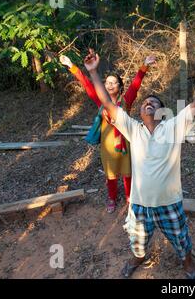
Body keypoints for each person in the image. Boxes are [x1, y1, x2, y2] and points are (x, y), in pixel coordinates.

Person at [83, 48, 195, 279]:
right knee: (137, 241)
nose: (149, 103)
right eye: (146, 102)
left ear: (163, 113)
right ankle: (138, 257)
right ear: (139, 110)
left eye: (155, 103)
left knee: (180, 239)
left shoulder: (173, 128)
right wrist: (94, 72)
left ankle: (187, 262)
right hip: (139, 205)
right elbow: (107, 103)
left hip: (170, 202)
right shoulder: (133, 129)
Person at [59, 52, 156, 213]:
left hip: (126, 143)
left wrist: (144, 66)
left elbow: (136, 84)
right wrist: (71, 66)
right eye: (107, 82)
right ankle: (111, 198)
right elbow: (87, 84)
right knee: (110, 174)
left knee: (128, 172)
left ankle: (129, 197)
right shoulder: (100, 101)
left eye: (114, 83)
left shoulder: (126, 101)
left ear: (120, 86)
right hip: (107, 146)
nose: (110, 85)